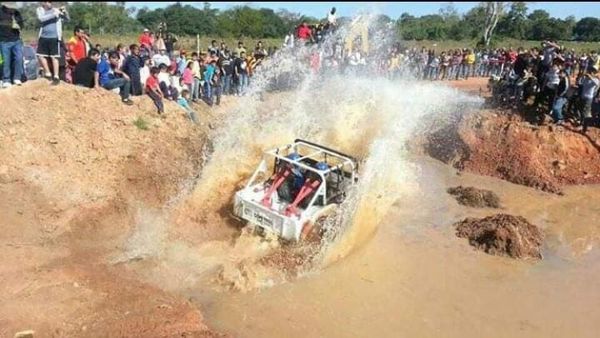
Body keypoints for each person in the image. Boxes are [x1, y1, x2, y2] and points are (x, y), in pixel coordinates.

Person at [36, 1, 69, 85]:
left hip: (54, 37)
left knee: (55, 57)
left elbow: (67, 20)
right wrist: (54, 14)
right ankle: (48, 73)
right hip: (43, 37)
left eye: (50, 2)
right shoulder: (40, 10)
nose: (49, 3)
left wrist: (65, 12)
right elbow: (41, 19)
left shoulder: (56, 10)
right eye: (47, 2)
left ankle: (56, 76)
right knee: (40, 55)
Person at [0, 1, 24, 88]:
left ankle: (17, 78)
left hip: (16, 40)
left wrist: (18, 25)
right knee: (6, 61)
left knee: (19, 58)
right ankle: (6, 80)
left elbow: (22, 25)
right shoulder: (0, 12)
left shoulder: (16, 13)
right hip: (4, 41)